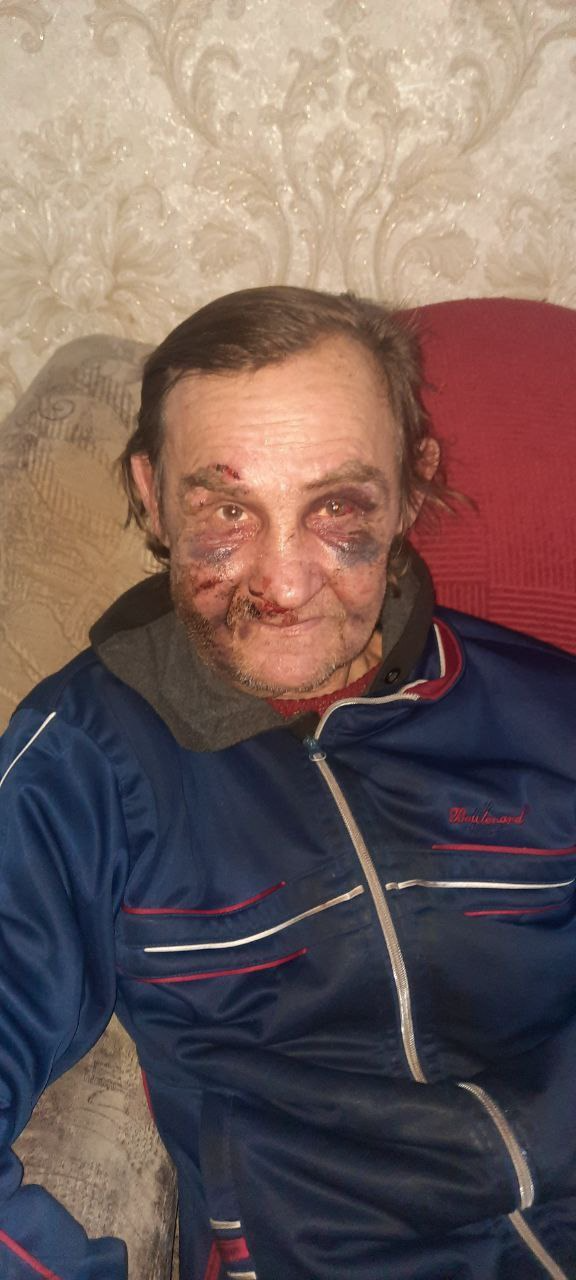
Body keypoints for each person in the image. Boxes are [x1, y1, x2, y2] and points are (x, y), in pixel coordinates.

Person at [0, 285, 575, 1280]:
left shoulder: (551, 710)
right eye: (227, 511)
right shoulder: (85, 759)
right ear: (151, 493)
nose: (284, 582)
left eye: (337, 508)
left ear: (412, 486)